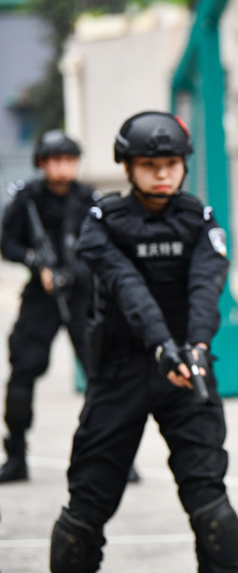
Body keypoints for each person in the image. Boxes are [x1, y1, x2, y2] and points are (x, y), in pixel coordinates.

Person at [48, 112, 238, 573]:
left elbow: (206, 284)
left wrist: (196, 345)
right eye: (149, 165)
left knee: (213, 510)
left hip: (187, 369)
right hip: (122, 370)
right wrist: (161, 343)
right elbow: (127, 286)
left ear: (184, 164)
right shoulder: (102, 221)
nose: (162, 174)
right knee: (85, 509)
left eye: (172, 164)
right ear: (127, 166)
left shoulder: (200, 219)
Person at [0, 131, 95, 483]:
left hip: (83, 294)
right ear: (42, 163)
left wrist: (75, 272)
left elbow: (104, 246)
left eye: (69, 159)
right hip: (41, 298)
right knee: (24, 368)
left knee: (100, 372)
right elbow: (7, 243)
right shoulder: (27, 200)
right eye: (55, 160)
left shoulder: (88, 199)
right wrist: (35, 262)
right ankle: (17, 453)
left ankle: (113, 454)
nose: (63, 167)